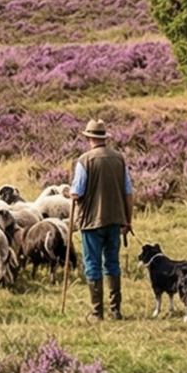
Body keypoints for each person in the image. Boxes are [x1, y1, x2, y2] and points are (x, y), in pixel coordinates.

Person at [72, 118, 133, 321]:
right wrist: (128, 220)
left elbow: (77, 192)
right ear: (104, 138)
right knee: (113, 263)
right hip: (115, 219)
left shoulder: (85, 161)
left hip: (91, 221)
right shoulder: (119, 159)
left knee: (92, 263)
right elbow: (128, 192)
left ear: (89, 137)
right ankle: (116, 311)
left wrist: (69, 194)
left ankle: (97, 312)